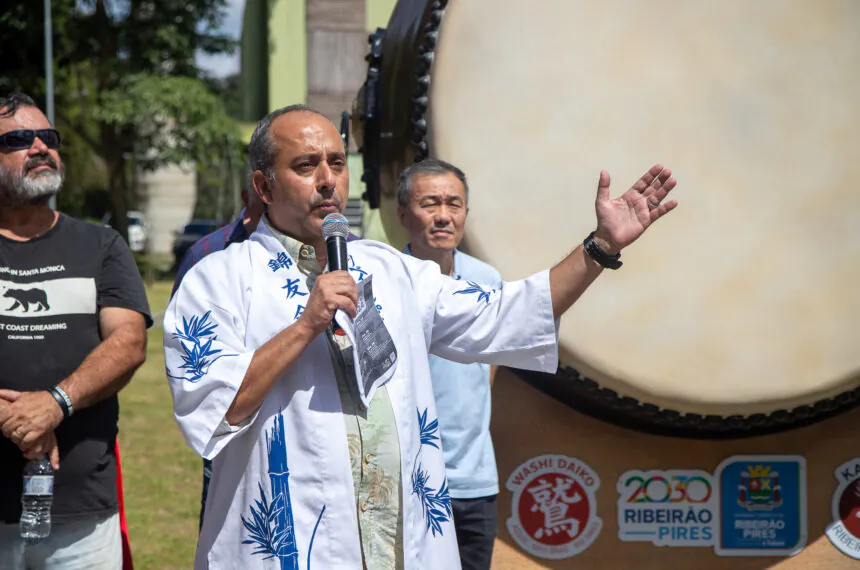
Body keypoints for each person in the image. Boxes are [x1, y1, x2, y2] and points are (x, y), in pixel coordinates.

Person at [164, 104, 677, 569]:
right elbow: (213, 409)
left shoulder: (390, 270)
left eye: (337, 164)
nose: (327, 181)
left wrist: (600, 248)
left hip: (398, 546)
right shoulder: (218, 280)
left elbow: (506, 315)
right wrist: (305, 327)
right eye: (305, 166)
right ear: (263, 186)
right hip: (294, 548)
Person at [0, 93, 151, 568]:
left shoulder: (100, 244)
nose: (42, 147)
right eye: (21, 139)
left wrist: (54, 403)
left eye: (50, 137)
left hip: (80, 516)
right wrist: (15, 419)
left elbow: (128, 343)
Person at [396, 158, 502, 570]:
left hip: (475, 483)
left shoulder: (487, 280)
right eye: (430, 203)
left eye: (453, 204)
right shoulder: (387, 281)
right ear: (403, 213)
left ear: (466, 214)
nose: (443, 216)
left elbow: (489, 368)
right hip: (409, 481)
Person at [171, 186, 266, 529]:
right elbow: (186, 350)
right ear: (250, 193)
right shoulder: (208, 254)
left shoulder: (343, 249)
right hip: (229, 430)